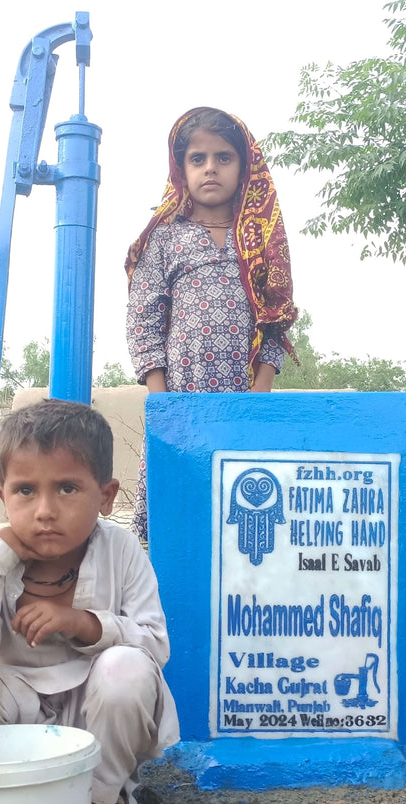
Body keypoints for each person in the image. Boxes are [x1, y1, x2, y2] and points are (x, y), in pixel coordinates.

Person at [0, 399, 179, 804]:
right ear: (2, 494)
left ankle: (102, 799)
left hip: (97, 711)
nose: (45, 510)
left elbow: (155, 644)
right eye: (26, 491)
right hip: (21, 704)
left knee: (126, 668)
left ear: (105, 496)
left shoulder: (122, 549)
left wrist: (84, 623)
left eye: (67, 489)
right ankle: (4, 798)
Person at [124, 106, 298, 541]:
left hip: (247, 400)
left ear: (244, 166)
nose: (210, 169)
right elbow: (143, 320)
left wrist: (259, 394)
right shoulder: (165, 235)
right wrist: (164, 405)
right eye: (197, 159)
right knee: (179, 517)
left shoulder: (262, 236)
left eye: (223, 157)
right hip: (181, 399)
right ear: (181, 168)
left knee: (244, 512)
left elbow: (275, 317)